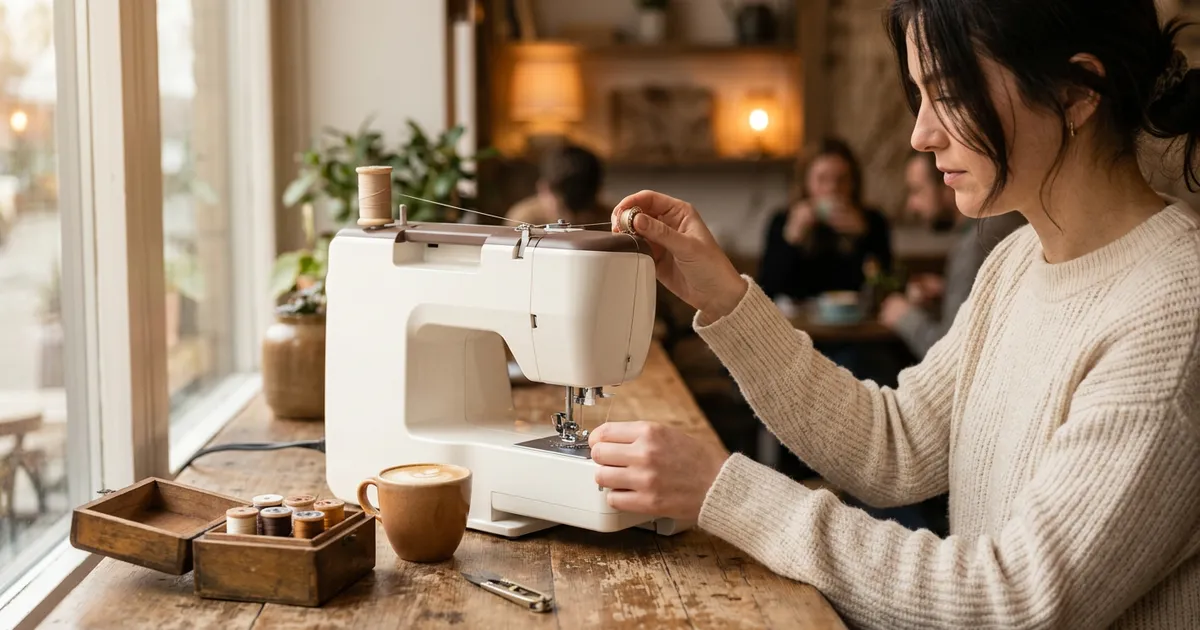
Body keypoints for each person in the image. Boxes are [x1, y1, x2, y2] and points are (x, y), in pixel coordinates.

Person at [589, 0, 1200, 627]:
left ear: (1075, 93)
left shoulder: (1175, 315)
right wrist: (722, 297)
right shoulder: (1017, 260)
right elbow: (894, 446)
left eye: (952, 93)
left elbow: (1014, 601)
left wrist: (728, 492)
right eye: (920, 96)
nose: (920, 134)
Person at [879, 151, 1026, 358]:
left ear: (949, 183)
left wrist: (904, 315)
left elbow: (950, 356)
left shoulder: (974, 245)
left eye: (917, 191)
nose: (911, 205)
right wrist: (947, 290)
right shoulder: (1004, 220)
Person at [757, 138, 893, 304]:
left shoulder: (873, 221)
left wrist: (863, 237)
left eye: (841, 180)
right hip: (797, 324)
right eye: (822, 179)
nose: (832, 188)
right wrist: (791, 239)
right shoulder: (782, 221)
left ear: (854, 183)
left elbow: (885, 287)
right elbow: (768, 291)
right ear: (806, 183)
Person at [506, 143, 609, 228]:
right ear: (543, 188)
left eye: (583, 207)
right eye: (564, 207)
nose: (575, 219)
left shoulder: (611, 220)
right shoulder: (523, 221)